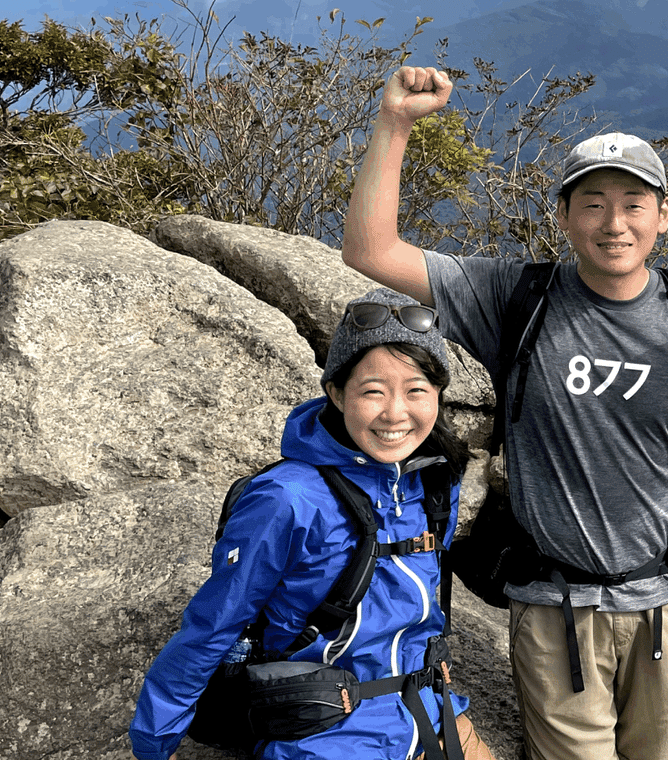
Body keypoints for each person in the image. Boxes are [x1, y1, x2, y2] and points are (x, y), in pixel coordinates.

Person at [343, 98, 668, 760]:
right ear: (564, 216)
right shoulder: (517, 296)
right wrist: (395, 122)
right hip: (554, 609)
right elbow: (370, 250)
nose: (614, 223)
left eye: (634, 203)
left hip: (663, 602)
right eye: (593, 203)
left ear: (664, 215)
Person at [131, 290, 494, 760]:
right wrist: (153, 743)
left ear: (439, 396)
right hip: (325, 736)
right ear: (337, 393)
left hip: (433, 717)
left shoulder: (434, 481)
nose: (395, 413)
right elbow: (213, 625)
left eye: (417, 389)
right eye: (373, 391)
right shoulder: (287, 498)